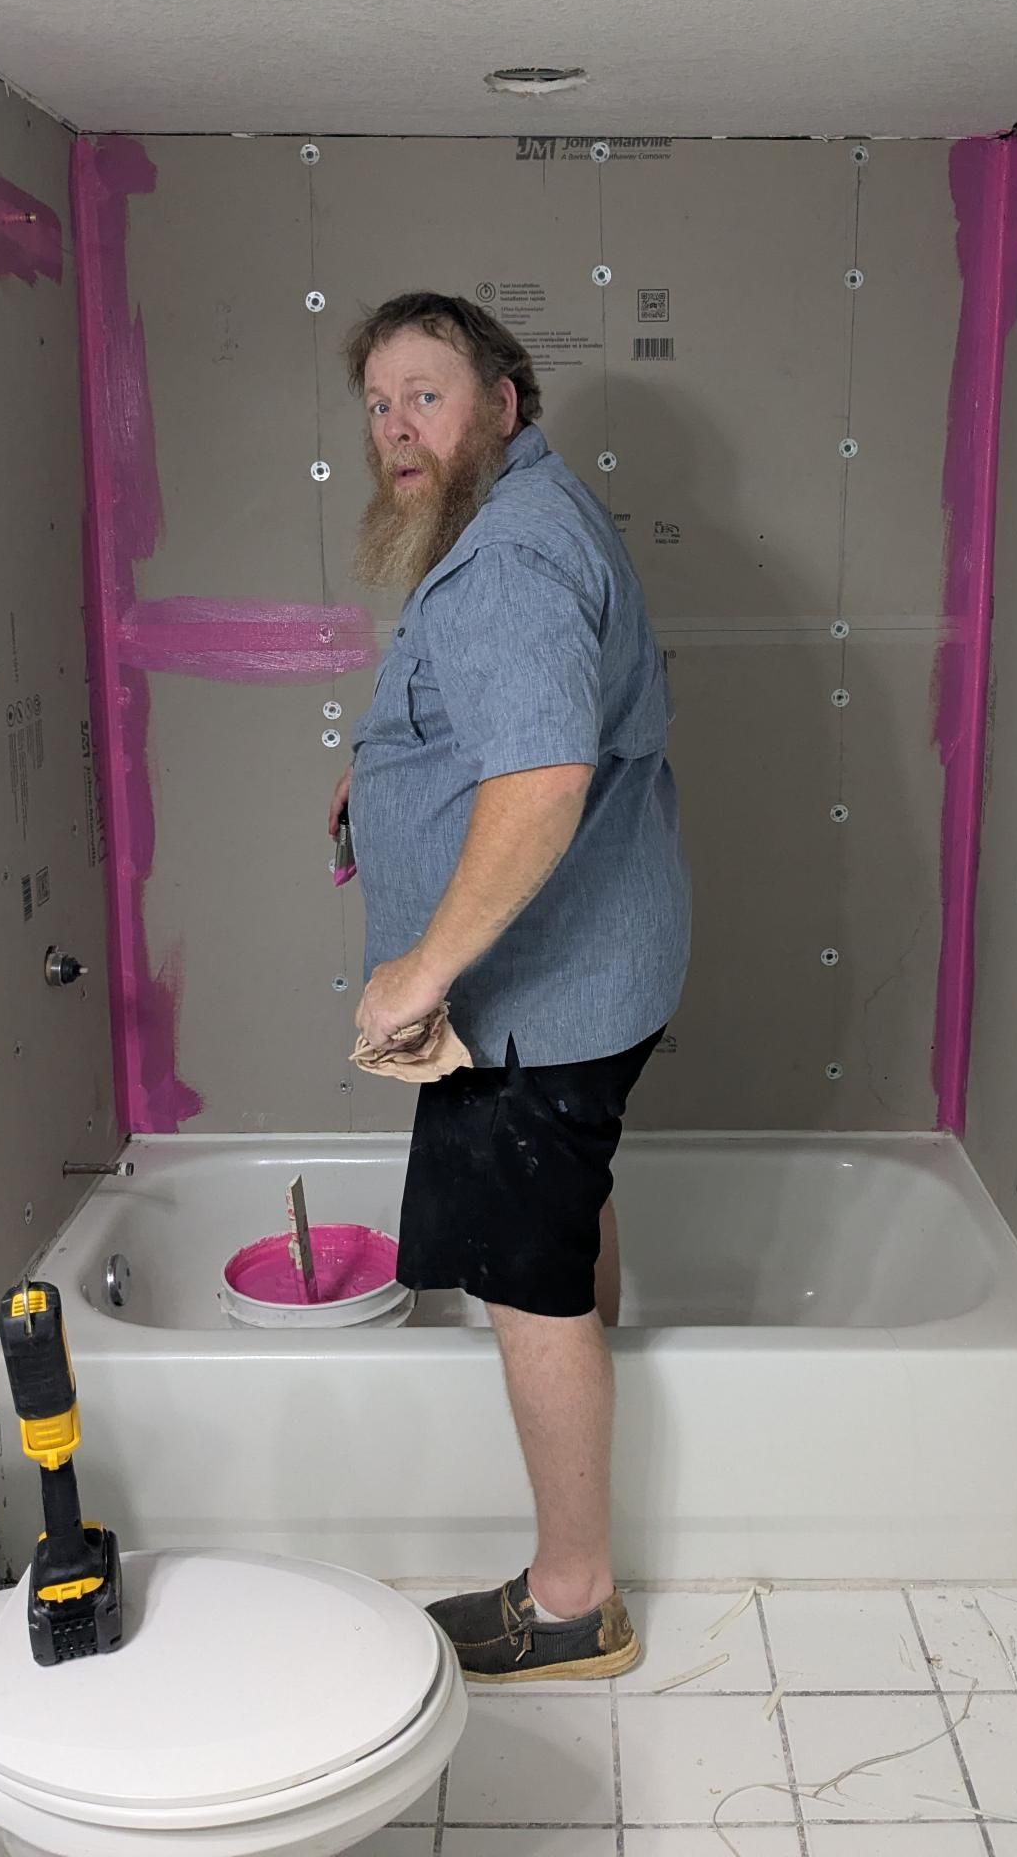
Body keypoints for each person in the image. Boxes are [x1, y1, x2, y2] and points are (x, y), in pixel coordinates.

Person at [330, 291, 690, 1684]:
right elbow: (504, 722)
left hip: (538, 1003)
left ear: (503, 403)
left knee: (526, 1280)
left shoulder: (507, 559)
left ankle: (573, 1603)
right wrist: (384, 776)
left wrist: (415, 977)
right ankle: (591, 1439)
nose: (397, 428)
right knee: (567, 1217)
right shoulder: (528, 515)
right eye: (379, 405)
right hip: (596, 977)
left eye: (426, 395)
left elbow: (539, 779)